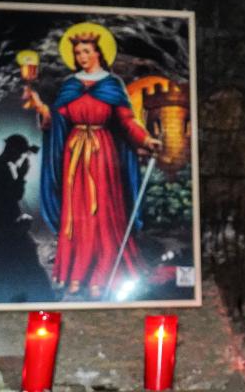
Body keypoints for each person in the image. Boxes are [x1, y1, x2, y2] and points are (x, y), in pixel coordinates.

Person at [24, 24, 161, 299]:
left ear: (98, 52)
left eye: (86, 51)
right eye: (77, 52)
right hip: (74, 156)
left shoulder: (112, 85)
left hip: (103, 155)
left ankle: (102, 273)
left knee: (102, 216)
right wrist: (42, 109)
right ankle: (76, 273)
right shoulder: (70, 85)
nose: (81, 57)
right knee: (76, 217)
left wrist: (146, 140)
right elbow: (58, 119)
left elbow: (127, 120)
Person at [0, 133, 55, 303]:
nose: (20, 157)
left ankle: (25, 295)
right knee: (22, 260)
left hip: (4, 226)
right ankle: (32, 297)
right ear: (12, 149)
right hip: (4, 229)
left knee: (20, 260)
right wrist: (21, 176)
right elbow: (13, 196)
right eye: (19, 153)